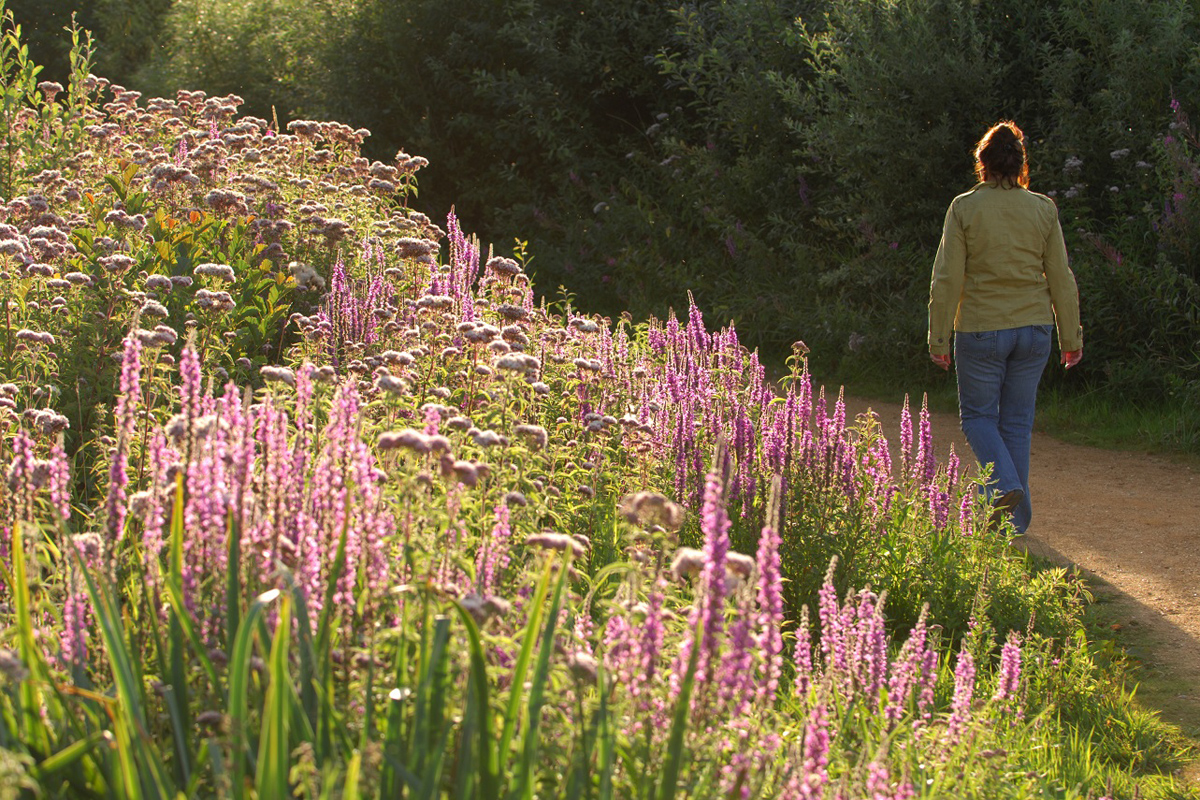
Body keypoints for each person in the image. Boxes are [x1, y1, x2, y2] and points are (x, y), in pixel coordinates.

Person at [927, 120, 1083, 533]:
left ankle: (1004, 486)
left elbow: (947, 279)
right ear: (1019, 164)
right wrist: (1071, 337)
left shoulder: (964, 207)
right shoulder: (1043, 209)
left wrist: (938, 337)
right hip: (1035, 331)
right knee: (1016, 423)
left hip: (981, 328)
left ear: (982, 163)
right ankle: (1013, 526)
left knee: (978, 417)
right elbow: (1061, 278)